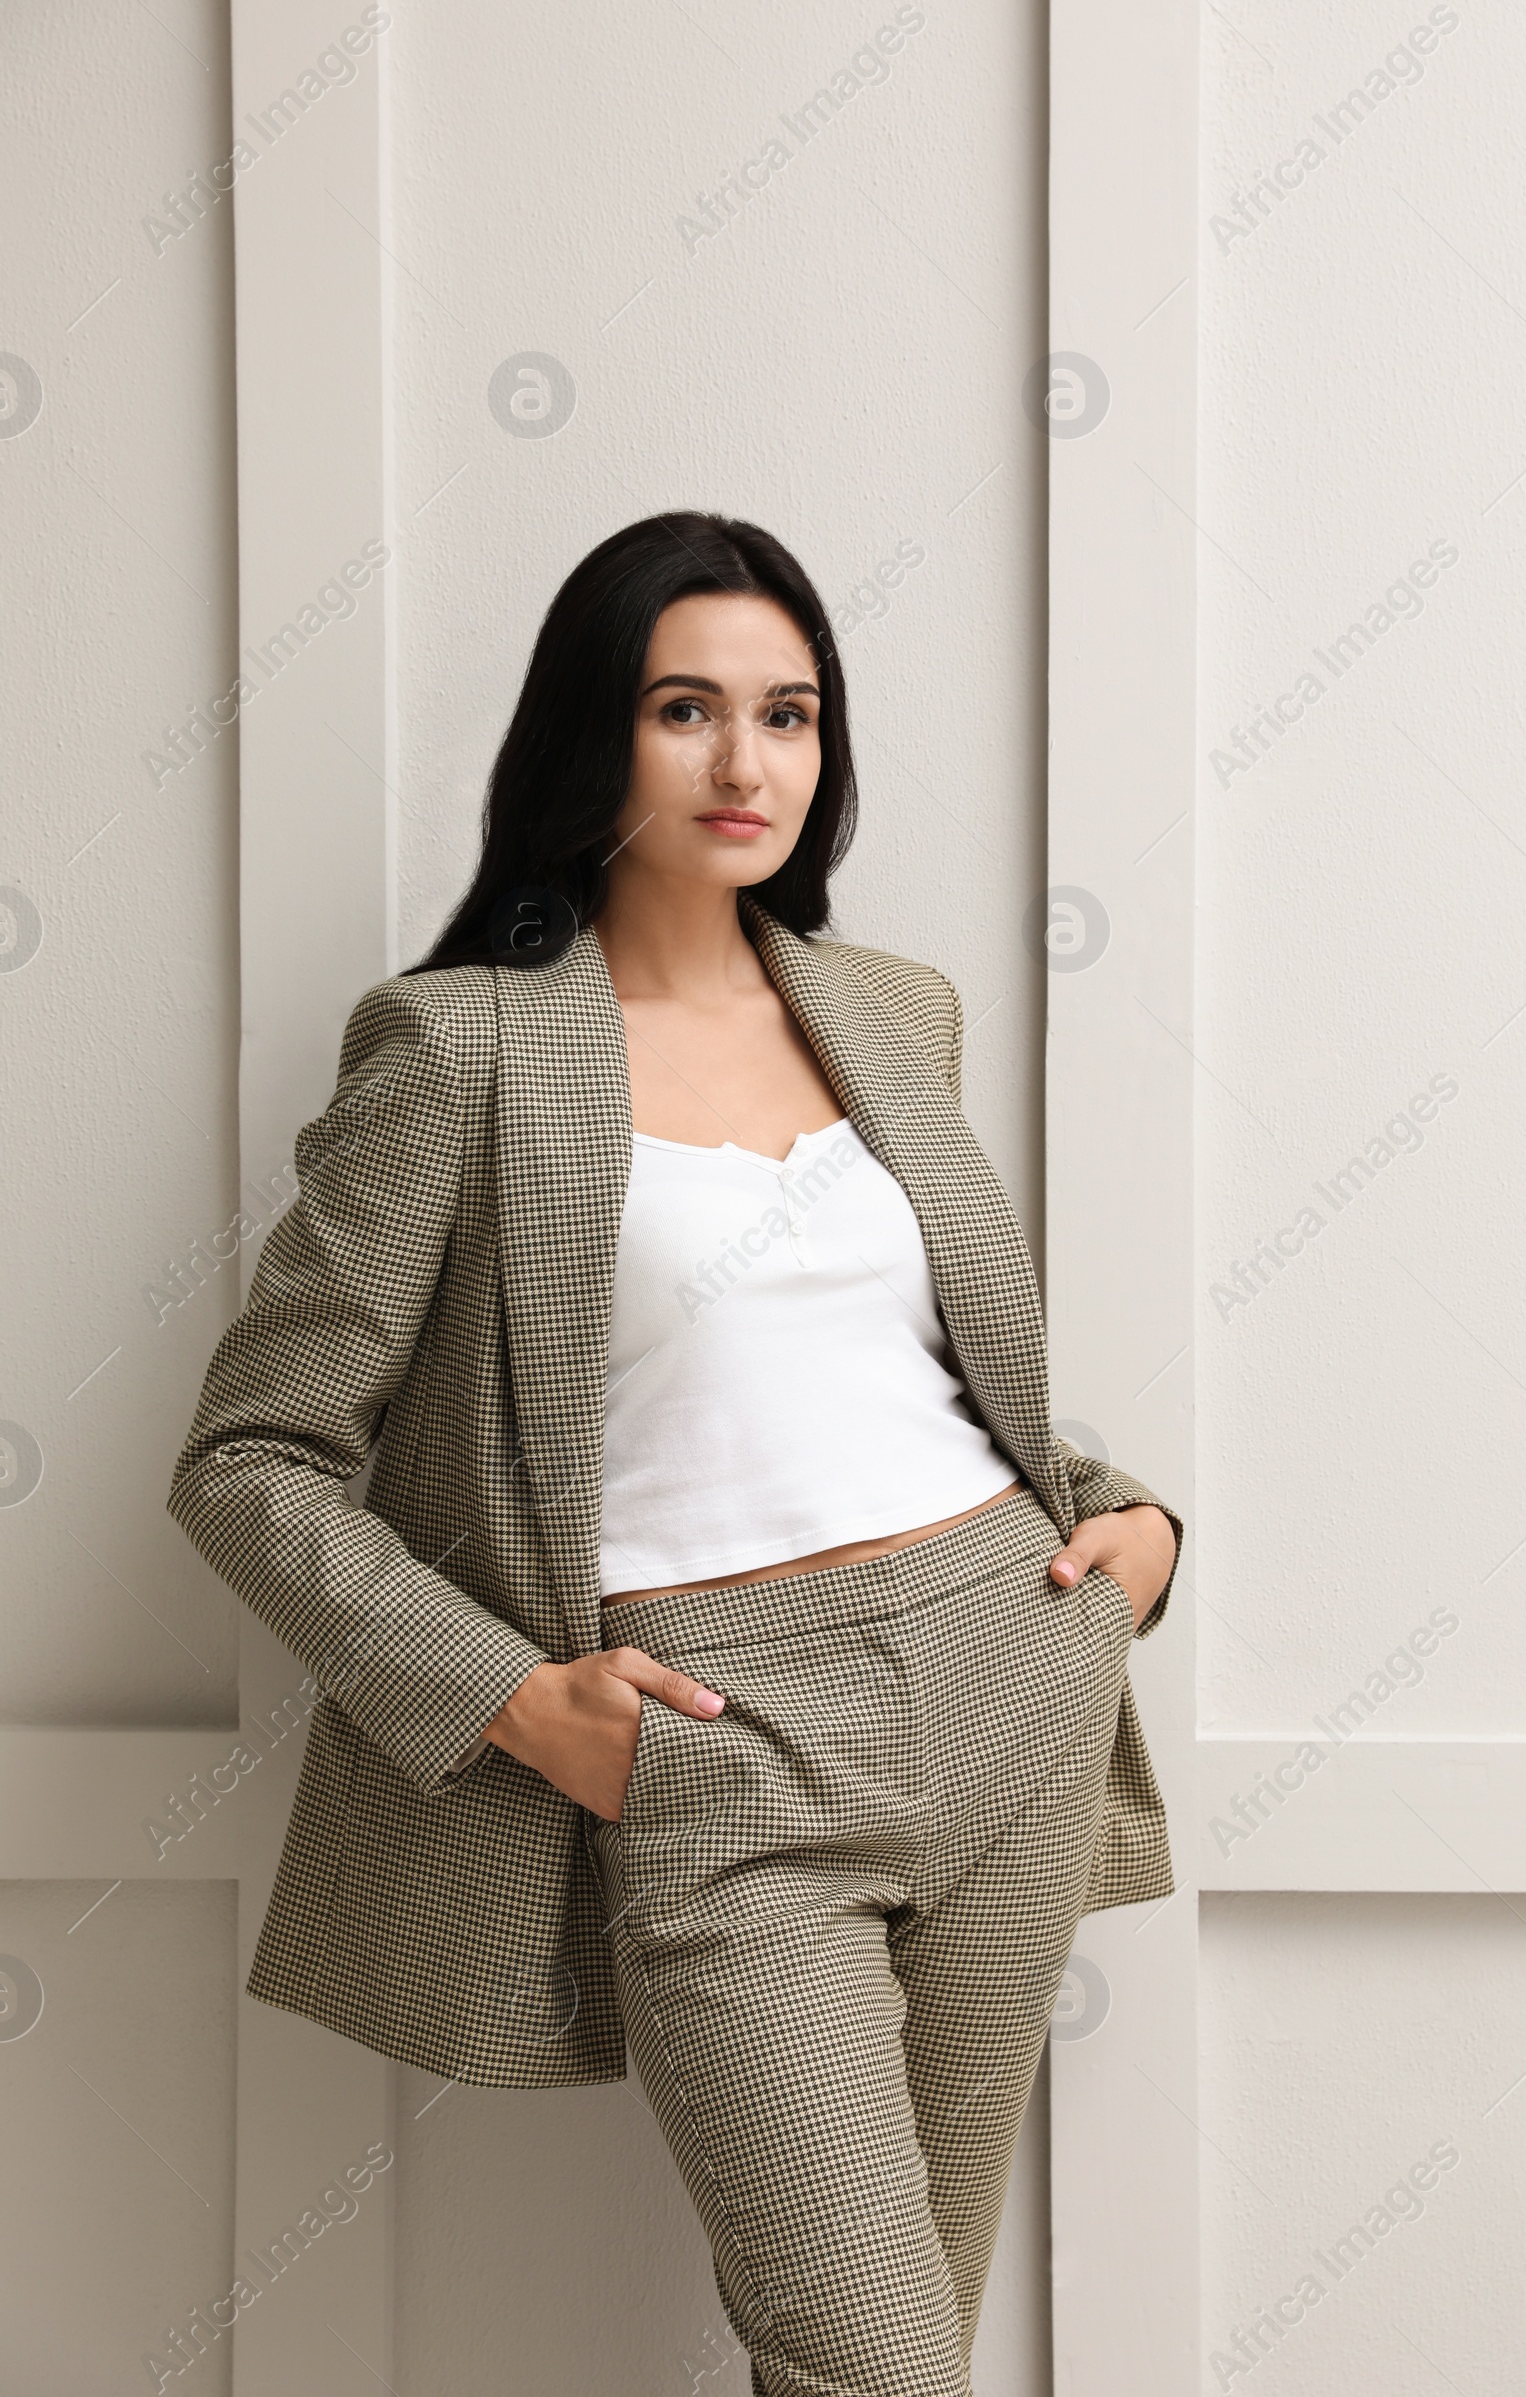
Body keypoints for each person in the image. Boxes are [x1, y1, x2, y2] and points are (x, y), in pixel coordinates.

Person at [169, 510, 1182, 2397]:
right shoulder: (457, 1045)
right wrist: (516, 1701)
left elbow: (899, 1352)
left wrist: (1133, 1527)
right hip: (726, 1750)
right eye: (686, 709)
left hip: (1013, 1668)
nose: (748, 764)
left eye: (789, 714)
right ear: (590, 737)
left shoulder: (890, 1009)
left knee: (906, 2361)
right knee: (868, 2364)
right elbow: (252, 1460)